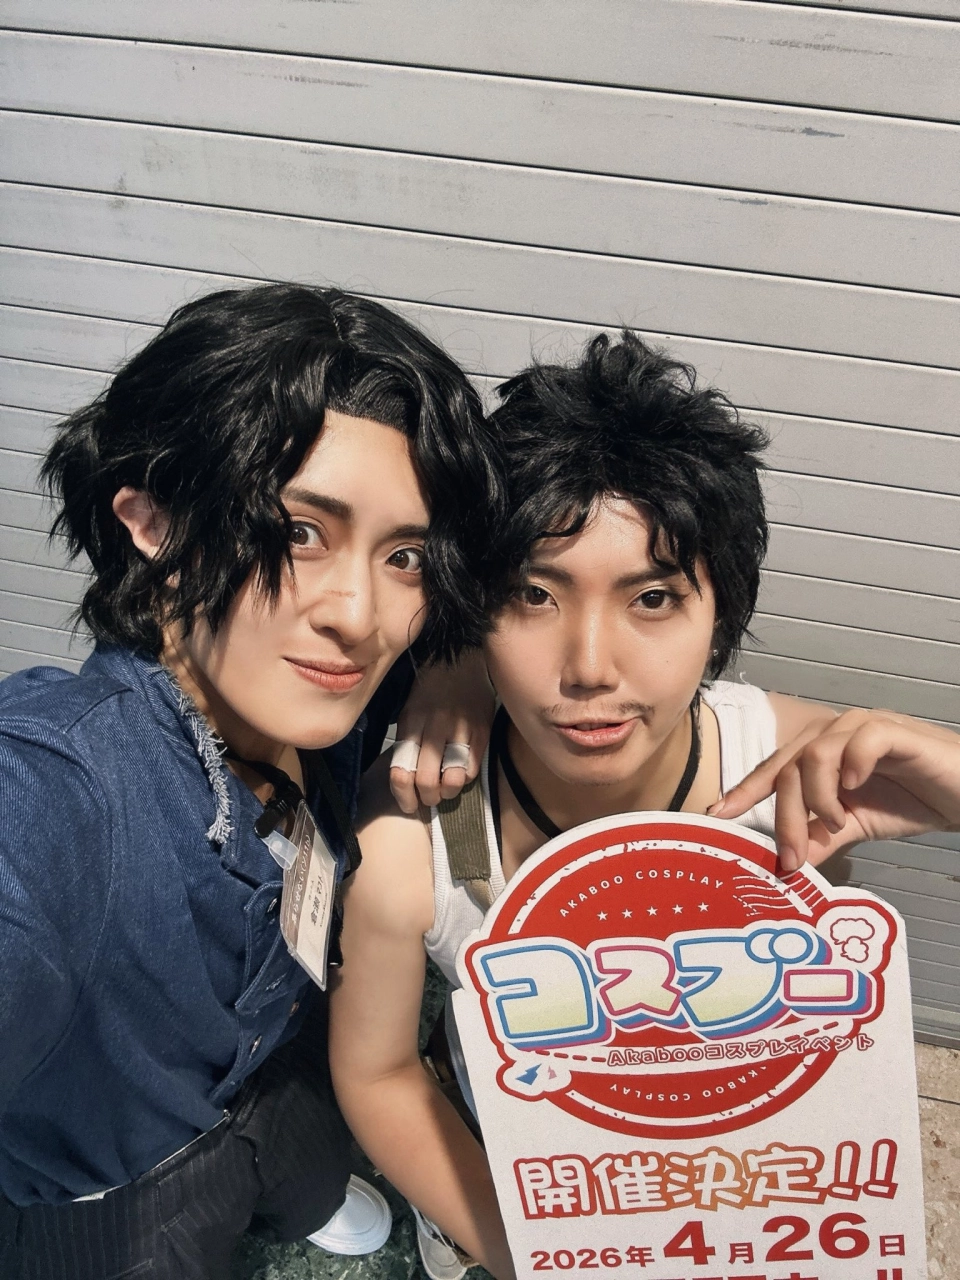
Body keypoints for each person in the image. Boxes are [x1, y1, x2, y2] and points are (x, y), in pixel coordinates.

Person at [329, 332, 960, 1280]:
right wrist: (540, 1251)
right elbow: (379, 1071)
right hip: (534, 1158)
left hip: (753, 1163)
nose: (590, 667)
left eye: (654, 598)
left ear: (720, 615)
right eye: (532, 594)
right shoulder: (413, 834)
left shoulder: (788, 761)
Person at [0, 283, 501, 1280]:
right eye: (300, 532)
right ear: (153, 519)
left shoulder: (322, 685)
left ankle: (302, 1194)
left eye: (404, 554)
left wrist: (456, 676)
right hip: (121, 1188)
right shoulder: (62, 790)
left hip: (286, 1061)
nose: (358, 614)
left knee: (306, 1161)